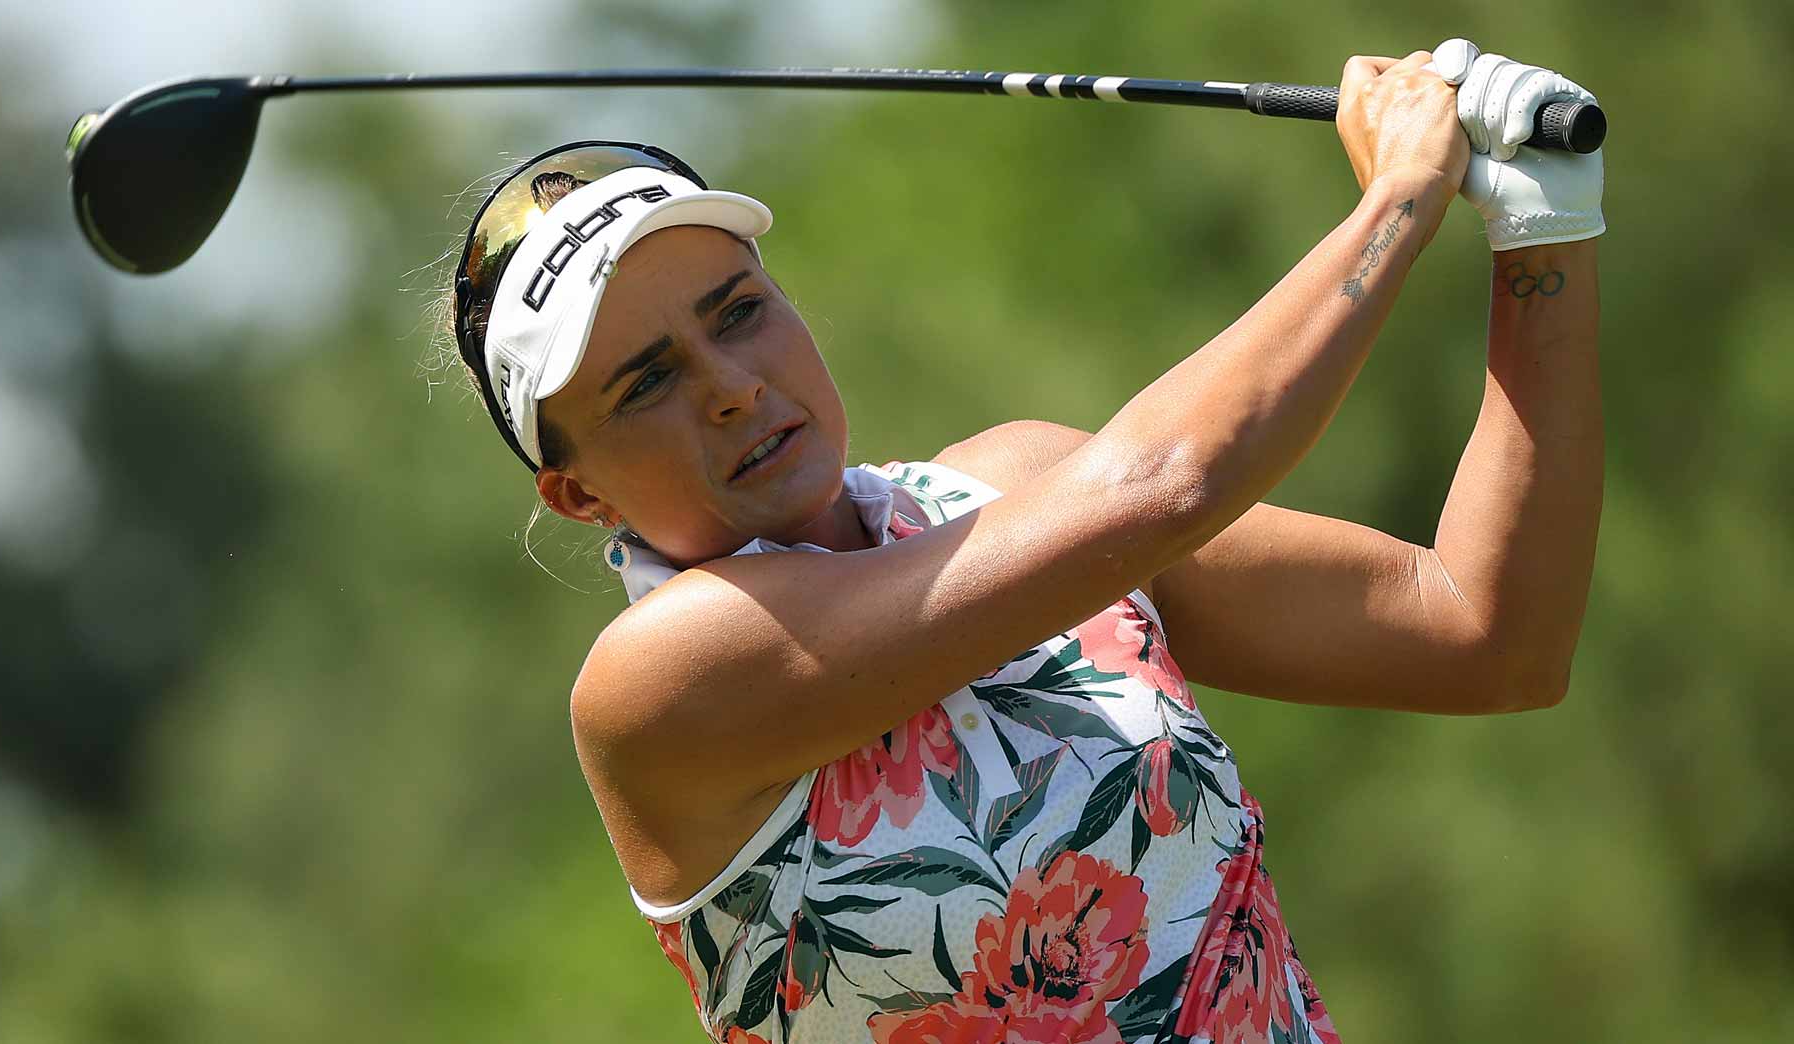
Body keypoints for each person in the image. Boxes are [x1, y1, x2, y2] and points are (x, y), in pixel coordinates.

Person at [436, 39, 1603, 1044]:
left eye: (738, 311)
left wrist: (1540, 226)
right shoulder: (661, 687)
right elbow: (1166, 480)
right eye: (647, 384)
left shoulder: (1018, 484)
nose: (732, 388)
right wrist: (1397, 196)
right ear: (577, 497)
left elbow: (1483, 630)